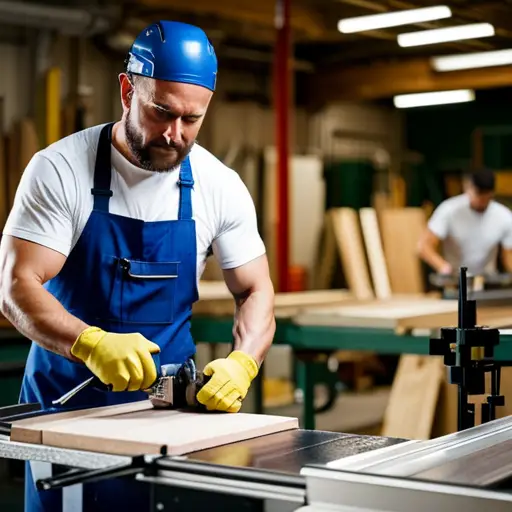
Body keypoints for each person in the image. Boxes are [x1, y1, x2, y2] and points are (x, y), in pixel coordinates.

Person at [0, 20, 275, 511]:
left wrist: (243, 361)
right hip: (67, 410)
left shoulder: (220, 184)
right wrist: (91, 343)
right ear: (128, 89)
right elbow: (17, 285)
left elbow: (255, 290)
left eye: (192, 120)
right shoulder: (61, 169)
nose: (174, 134)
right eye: (161, 112)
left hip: (170, 417)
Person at [417, 168, 512, 276]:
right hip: (455, 279)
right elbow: (424, 246)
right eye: (478, 195)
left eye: (486, 196)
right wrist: (443, 267)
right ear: (467, 188)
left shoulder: (504, 216)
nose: (482, 200)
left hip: (487, 281)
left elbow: (509, 255)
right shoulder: (449, 210)